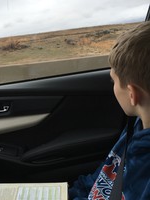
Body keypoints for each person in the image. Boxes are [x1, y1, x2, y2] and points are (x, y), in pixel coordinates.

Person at [69, 21, 150, 200]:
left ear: (132, 93)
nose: (112, 87)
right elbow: (102, 178)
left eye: (113, 81)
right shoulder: (137, 126)